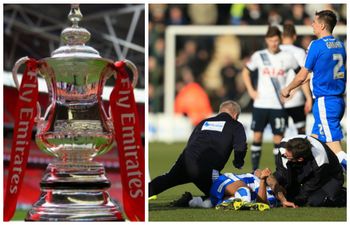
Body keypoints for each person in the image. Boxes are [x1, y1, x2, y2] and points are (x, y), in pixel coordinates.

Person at [281, 10, 347, 172]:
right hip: (336, 100)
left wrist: (287, 89)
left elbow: (303, 75)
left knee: (336, 151)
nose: (312, 24)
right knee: (313, 144)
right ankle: (313, 182)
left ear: (323, 25)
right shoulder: (340, 45)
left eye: (315, 22)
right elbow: (316, 74)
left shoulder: (316, 45)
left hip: (325, 101)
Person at [149, 100, 247, 198]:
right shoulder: (236, 125)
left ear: (220, 111)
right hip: (206, 170)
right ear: (235, 115)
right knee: (227, 194)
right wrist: (238, 161)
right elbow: (240, 148)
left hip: (185, 161)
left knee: (166, 180)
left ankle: (141, 194)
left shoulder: (204, 122)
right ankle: (192, 201)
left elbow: (190, 143)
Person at [242, 26, 299, 171]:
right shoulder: (259, 56)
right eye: (271, 40)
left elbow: (302, 75)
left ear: (280, 40)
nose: (273, 43)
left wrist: (292, 91)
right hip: (260, 104)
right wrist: (251, 91)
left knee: (278, 140)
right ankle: (255, 170)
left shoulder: (287, 57)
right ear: (266, 40)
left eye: (276, 40)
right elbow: (245, 72)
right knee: (257, 138)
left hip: (278, 105)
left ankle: (279, 172)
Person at [267, 135, 346, 207]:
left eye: (287, 156)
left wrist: (295, 202)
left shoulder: (320, 161)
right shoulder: (284, 146)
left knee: (314, 201)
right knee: (280, 184)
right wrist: (281, 189)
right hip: (301, 168)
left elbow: (309, 187)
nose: (284, 154)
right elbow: (282, 172)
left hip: (329, 176)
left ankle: (342, 194)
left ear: (300, 159)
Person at [170, 168, 297, 210]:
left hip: (227, 189)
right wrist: (265, 178)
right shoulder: (272, 185)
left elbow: (261, 203)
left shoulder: (271, 198)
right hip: (227, 180)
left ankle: (191, 201)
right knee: (244, 191)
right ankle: (239, 202)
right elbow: (260, 172)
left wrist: (263, 181)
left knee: (212, 203)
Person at [280, 23, 313, 134]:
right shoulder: (299, 52)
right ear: (294, 36)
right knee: (301, 133)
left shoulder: (275, 52)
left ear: (281, 36)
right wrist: (308, 98)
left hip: (278, 99)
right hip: (296, 98)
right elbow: (303, 75)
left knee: (279, 134)